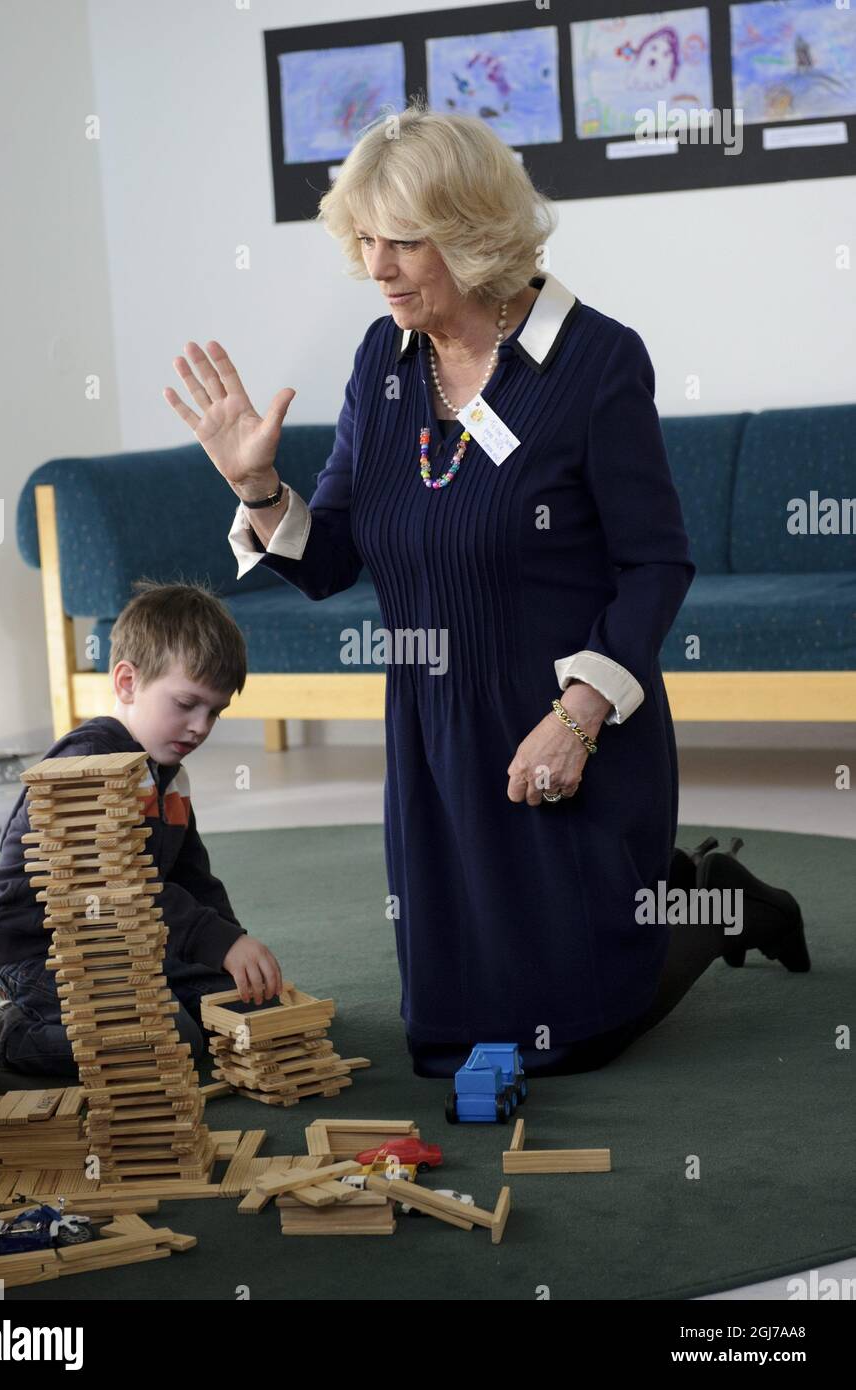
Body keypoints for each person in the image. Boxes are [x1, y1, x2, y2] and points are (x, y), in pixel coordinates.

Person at [163, 104, 808, 1080]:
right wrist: (256, 487)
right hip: (436, 737)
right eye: (365, 239)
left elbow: (655, 564)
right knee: (451, 1045)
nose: (377, 267)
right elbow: (331, 556)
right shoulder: (382, 360)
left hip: (568, 722)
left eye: (405, 241)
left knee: (575, 1034)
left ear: (473, 233)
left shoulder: (591, 360)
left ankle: (717, 897)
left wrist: (580, 718)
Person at [0, 581, 283, 1076]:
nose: (201, 726)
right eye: (186, 704)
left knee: (239, 1008)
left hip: (127, 938)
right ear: (127, 683)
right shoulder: (87, 765)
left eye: (215, 712)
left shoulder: (170, 775)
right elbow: (118, 888)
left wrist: (229, 946)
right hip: (42, 950)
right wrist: (215, 942)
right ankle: (7, 1032)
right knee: (164, 1041)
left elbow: (192, 879)